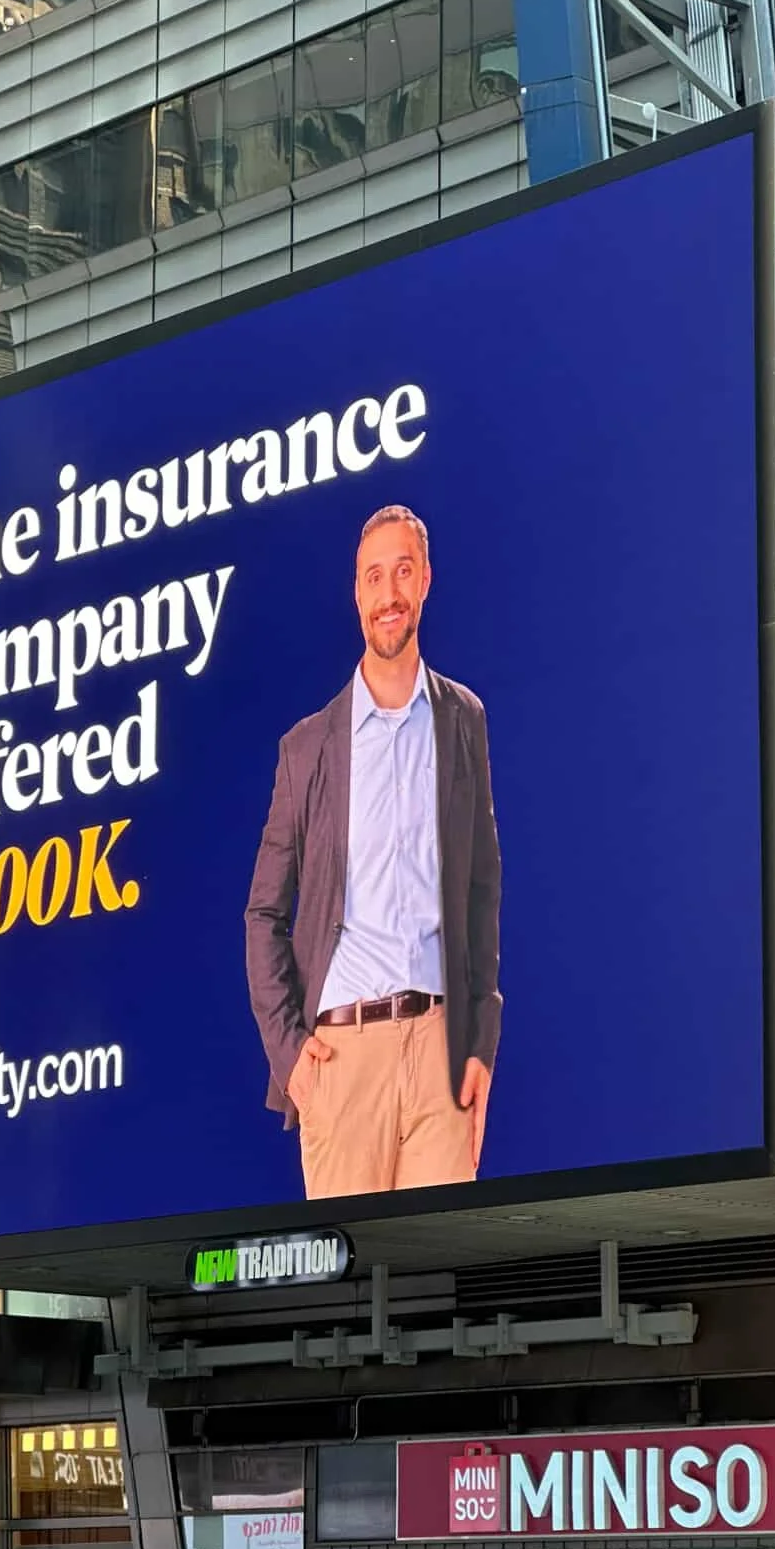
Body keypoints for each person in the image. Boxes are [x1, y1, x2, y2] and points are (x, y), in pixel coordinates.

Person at [245, 503, 502, 1199]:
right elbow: (263, 912)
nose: (387, 594)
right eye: (372, 578)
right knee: (350, 1294)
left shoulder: (463, 720)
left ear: (425, 583)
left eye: (402, 573)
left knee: (436, 1286)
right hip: (343, 1057)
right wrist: (291, 1054)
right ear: (356, 594)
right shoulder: (306, 749)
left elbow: (482, 887)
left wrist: (482, 1039)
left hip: (440, 1056)